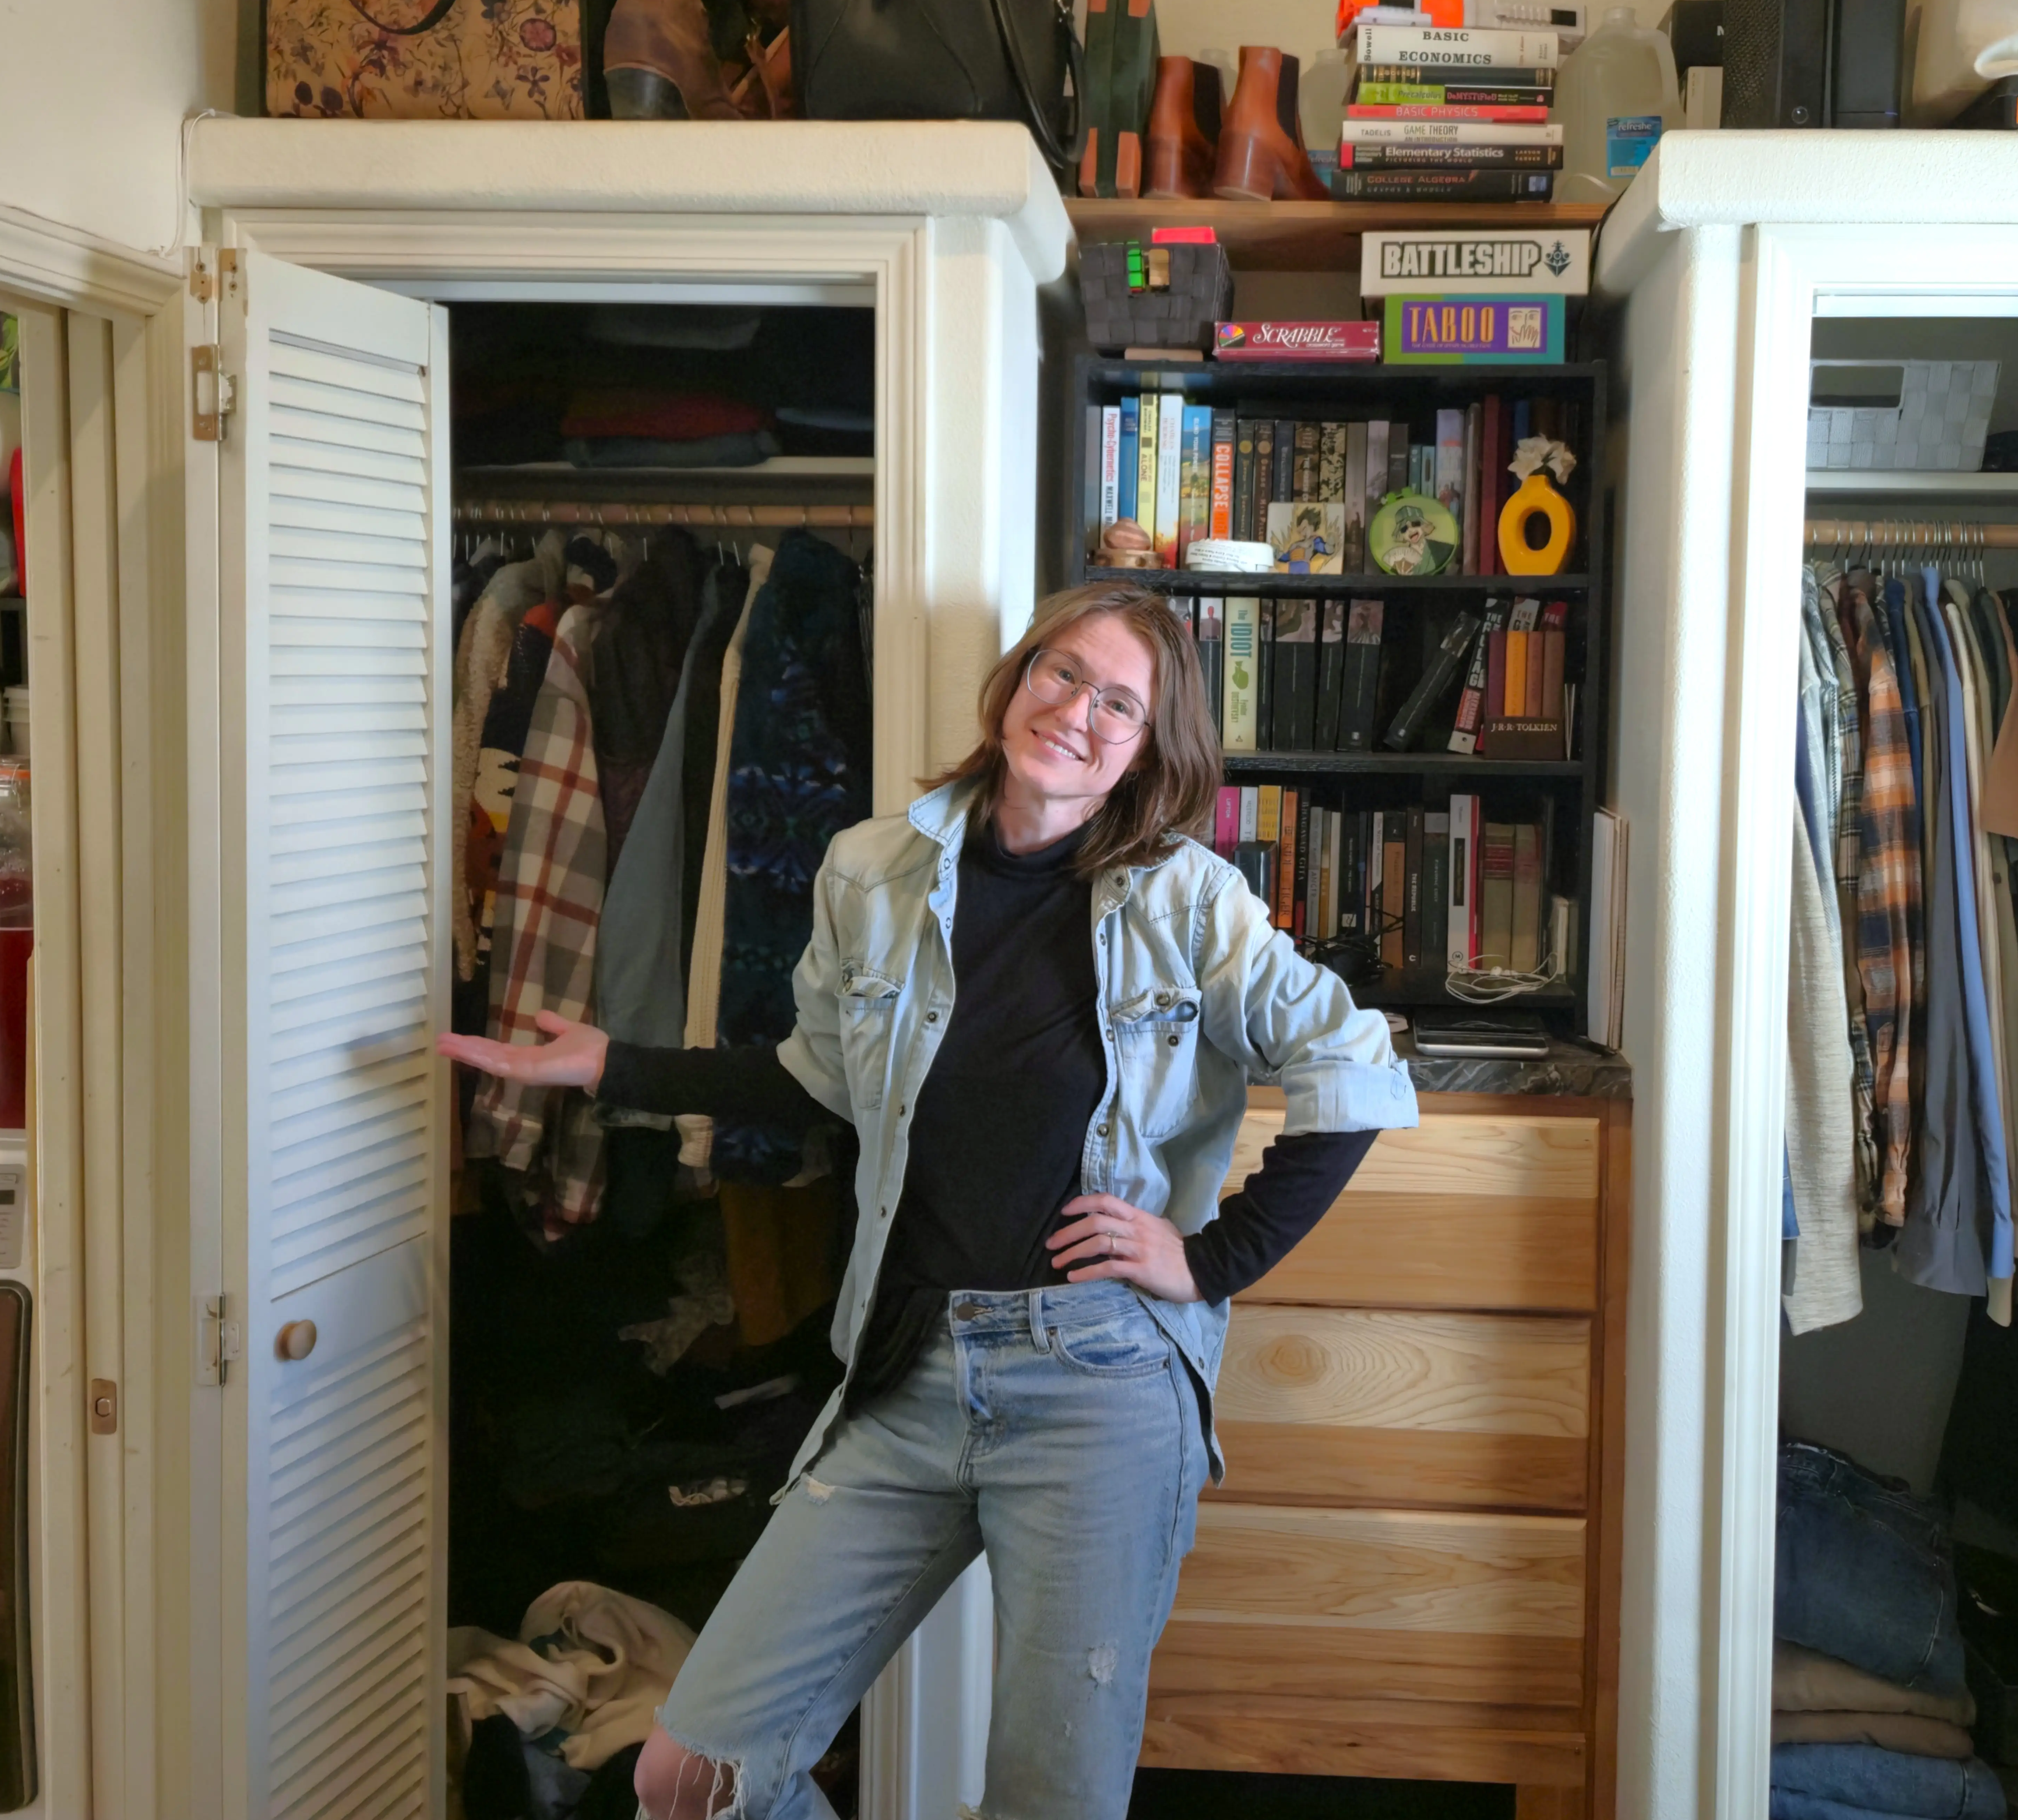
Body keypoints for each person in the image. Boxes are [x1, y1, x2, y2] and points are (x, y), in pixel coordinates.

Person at [438, 581, 1417, 1820]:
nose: (1076, 711)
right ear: (1015, 681)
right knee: (691, 1777)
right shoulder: (871, 871)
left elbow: (1353, 1063)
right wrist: (608, 1066)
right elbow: (822, 1075)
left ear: (1147, 752)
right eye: (1062, 672)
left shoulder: (1188, 903)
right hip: (903, 1373)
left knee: (1045, 1801)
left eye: (1120, 703)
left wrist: (1210, 1258)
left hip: (1099, 1388)